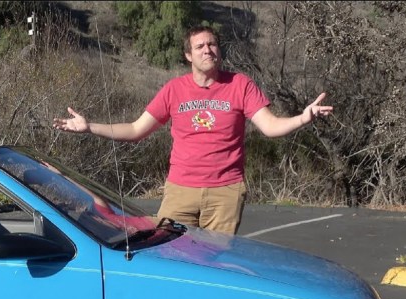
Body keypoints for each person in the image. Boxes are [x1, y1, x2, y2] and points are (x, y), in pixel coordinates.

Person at [52, 25, 333, 234]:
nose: (208, 50)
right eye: (200, 46)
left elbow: (270, 126)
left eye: (212, 45)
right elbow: (137, 129)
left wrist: (302, 117)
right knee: (169, 252)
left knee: (216, 264)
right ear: (188, 55)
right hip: (181, 190)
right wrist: (90, 127)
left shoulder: (240, 85)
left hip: (225, 192)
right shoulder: (174, 89)